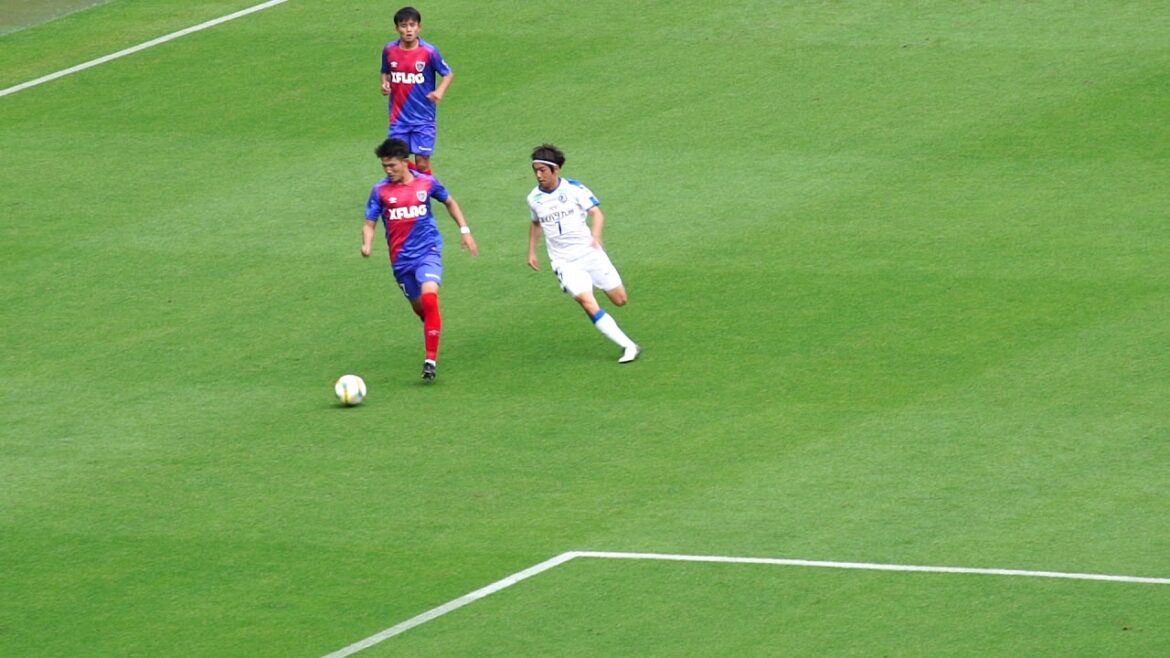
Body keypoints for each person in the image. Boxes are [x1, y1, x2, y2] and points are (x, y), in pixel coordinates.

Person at [362, 138, 478, 381]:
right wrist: (367, 244)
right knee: (422, 309)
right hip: (401, 261)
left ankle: (430, 360)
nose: (388, 170)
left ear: (405, 162)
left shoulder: (426, 183)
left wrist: (465, 231)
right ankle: (433, 328)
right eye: (384, 166)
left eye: (392, 165)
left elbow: (449, 201)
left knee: (429, 297)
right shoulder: (380, 191)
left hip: (428, 252)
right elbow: (369, 223)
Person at [526, 144, 640, 364]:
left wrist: (596, 236)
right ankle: (628, 345)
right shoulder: (533, 198)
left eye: (543, 170)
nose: (538, 175)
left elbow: (596, 213)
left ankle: (593, 284)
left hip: (590, 254)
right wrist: (531, 251)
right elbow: (535, 223)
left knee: (620, 300)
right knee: (586, 301)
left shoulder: (574, 189)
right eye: (535, 170)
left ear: (556, 169)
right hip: (564, 261)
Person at [379, 6, 452, 175]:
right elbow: (385, 71)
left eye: (412, 25)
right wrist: (384, 84)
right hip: (398, 119)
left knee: (422, 164)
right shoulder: (389, 50)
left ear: (419, 27)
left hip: (423, 119)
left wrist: (439, 92)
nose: (408, 30)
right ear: (397, 28)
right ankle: (414, 185)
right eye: (404, 25)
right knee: (396, 162)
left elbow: (448, 74)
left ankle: (429, 188)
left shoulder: (429, 52)